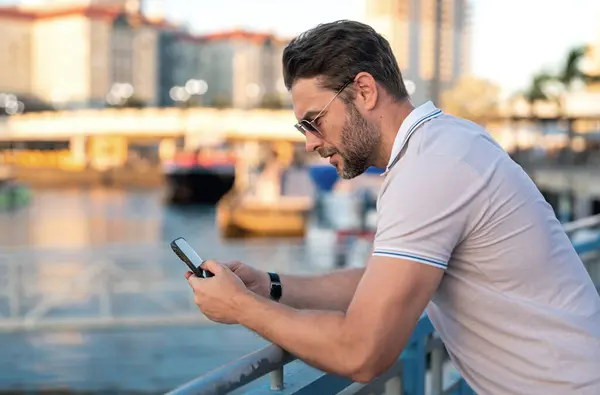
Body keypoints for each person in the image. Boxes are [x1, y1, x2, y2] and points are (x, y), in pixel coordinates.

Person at [185, 20, 600, 394]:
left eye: (313, 120)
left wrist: (241, 306)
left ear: (364, 91)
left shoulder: (430, 167)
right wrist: (272, 286)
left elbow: (361, 353)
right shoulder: (440, 144)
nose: (309, 142)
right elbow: (382, 283)